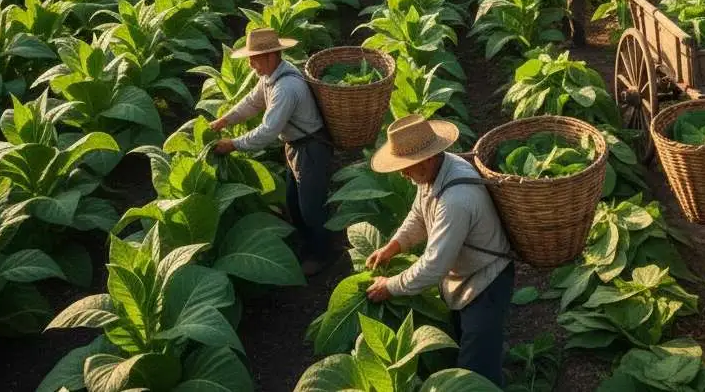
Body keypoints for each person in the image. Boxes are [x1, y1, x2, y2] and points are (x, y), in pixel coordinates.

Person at [364, 115, 514, 385]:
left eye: (406, 166)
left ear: (427, 158)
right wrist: (393, 246)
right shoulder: (434, 174)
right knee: (472, 345)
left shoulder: (456, 200)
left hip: (485, 284)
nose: (402, 173)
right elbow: (419, 214)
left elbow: (433, 267)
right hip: (461, 280)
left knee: (474, 377)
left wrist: (390, 285)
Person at [208, 28, 336, 277]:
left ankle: (323, 255)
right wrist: (224, 121)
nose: (250, 64)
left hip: (312, 149)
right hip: (295, 147)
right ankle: (306, 243)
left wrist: (232, 144)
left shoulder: (286, 87)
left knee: (311, 207)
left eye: (253, 58)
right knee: (293, 203)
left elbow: (267, 132)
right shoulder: (271, 78)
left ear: (269, 56)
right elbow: (252, 102)